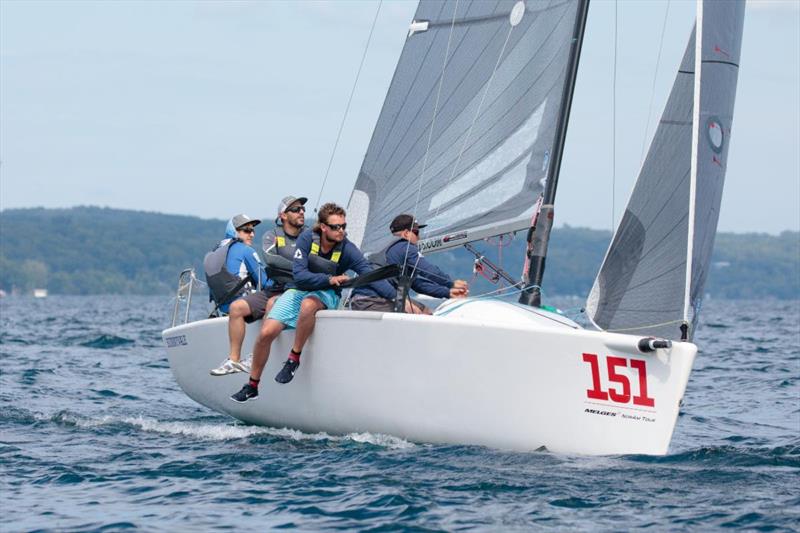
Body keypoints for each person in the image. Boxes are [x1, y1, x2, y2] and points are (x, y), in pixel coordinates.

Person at [230, 202, 395, 402]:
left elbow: (370, 275)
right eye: (336, 227)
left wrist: (398, 299)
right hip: (300, 289)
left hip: (327, 295)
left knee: (308, 304)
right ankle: (252, 385)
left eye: (343, 226)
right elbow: (299, 276)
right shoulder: (307, 239)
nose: (341, 231)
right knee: (265, 333)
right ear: (323, 227)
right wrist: (329, 279)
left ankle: (293, 358)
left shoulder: (348, 249)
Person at [349, 214, 469, 313]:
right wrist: (451, 283)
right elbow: (428, 270)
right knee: (422, 314)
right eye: (416, 232)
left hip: (360, 301)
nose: (419, 237)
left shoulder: (391, 251)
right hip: (373, 301)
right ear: (406, 233)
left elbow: (418, 284)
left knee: (426, 311)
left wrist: (448, 293)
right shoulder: (405, 248)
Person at [205, 214, 271, 376]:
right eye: (246, 230)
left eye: (253, 230)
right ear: (234, 232)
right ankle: (258, 352)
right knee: (275, 298)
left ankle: (232, 358)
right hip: (245, 309)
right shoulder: (246, 250)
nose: (252, 234)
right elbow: (265, 282)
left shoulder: (215, 252)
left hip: (223, 310)